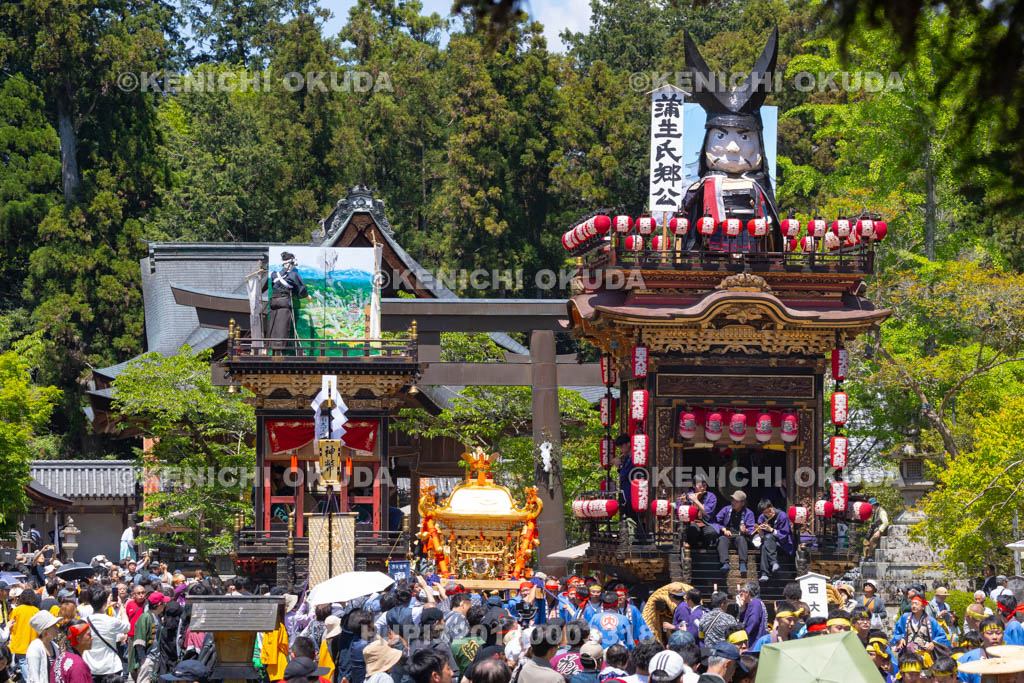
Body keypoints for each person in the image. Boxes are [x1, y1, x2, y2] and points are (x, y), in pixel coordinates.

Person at [82, 585, 130, 683]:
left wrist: (106, 606)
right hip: (111, 667)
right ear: (104, 602)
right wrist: (121, 608)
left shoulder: (83, 622)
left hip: (90, 667)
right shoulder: (111, 621)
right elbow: (127, 626)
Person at [892, 594, 950, 667]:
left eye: (916, 604)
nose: (913, 606)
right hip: (908, 655)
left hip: (925, 655)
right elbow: (898, 631)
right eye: (912, 603)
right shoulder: (904, 617)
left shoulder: (931, 621)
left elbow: (942, 635)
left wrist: (933, 643)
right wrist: (901, 638)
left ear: (923, 606)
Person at [267, 251, 309, 350]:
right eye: (293, 264)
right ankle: (279, 349)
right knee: (282, 325)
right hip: (284, 302)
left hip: (273, 301)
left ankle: (269, 346)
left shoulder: (273, 275)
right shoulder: (293, 275)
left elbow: (274, 287)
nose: (293, 266)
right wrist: (307, 297)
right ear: (289, 264)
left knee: (273, 323)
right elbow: (301, 289)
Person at [713, 492, 755, 574]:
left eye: (736, 501)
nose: (733, 502)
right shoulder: (726, 509)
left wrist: (746, 531)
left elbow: (751, 529)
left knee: (741, 539)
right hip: (728, 535)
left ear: (742, 503)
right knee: (722, 539)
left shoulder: (749, 513)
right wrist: (724, 529)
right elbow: (715, 522)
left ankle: (743, 564)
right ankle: (725, 563)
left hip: (740, 536)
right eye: (733, 500)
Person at [752, 500, 791, 583]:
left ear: (772, 506)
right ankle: (773, 564)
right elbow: (763, 538)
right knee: (765, 543)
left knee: (768, 538)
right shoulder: (762, 518)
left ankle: (764, 573)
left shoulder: (782, 516)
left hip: (782, 543)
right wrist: (760, 532)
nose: (768, 514)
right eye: (765, 513)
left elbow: (784, 535)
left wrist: (771, 530)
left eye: (769, 511)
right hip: (769, 543)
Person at [10, 587, 41, 679]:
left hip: (20, 643)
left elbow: (11, 627)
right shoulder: (36, 611)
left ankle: (29, 680)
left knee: (23, 663)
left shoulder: (16, 611)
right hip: (33, 643)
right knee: (32, 665)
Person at [681, 478, 718, 550]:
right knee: (692, 530)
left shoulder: (711, 496)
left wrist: (696, 500)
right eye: (700, 486)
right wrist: (684, 503)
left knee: (711, 532)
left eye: (704, 486)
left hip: (706, 523)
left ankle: (706, 547)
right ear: (694, 486)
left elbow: (707, 513)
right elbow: (682, 513)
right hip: (692, 523)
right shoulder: (688, 495)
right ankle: (693, 548)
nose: (703, 488)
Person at [25, 611, 59, 683]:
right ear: (45, 630)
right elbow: (34, 677)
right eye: (54, 625)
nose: (56, 627)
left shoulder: (55, 646)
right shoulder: (34, 648)